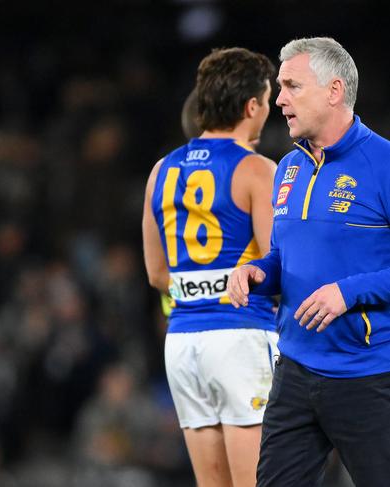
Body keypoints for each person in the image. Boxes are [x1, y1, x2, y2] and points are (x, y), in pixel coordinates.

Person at [227, 37, 390, 486]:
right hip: (295, 373)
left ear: (333, 91)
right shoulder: (288, 169)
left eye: (292, 86)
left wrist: (349, 292)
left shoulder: (384, 163)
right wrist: (259, 273)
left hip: (369, 376)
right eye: (280, 87)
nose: (278, 100)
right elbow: (283, 255)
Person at [142, 47, 278, 487]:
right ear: (252, 105)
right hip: (240, 336)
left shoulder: (160, 170)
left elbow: (157, 274)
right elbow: (275, 265)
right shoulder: (258, 169)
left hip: (183, 343)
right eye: (269, 97)